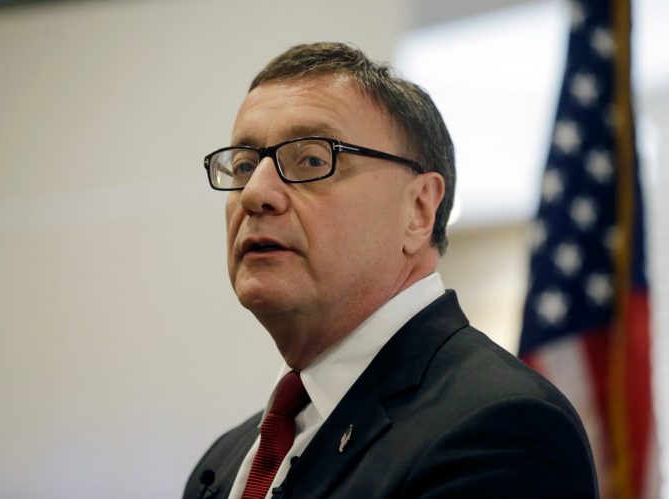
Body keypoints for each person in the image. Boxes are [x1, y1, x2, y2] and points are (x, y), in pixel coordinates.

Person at [184, 42, 598, 499]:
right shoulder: (225, 462)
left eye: (313, 159)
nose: (255, 193)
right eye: (243, 165)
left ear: (418, 210)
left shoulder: (502, 428)